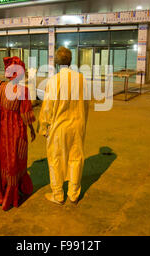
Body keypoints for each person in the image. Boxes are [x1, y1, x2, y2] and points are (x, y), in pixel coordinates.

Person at [39, 47, 90, 205]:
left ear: (56, 62)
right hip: (78, 124)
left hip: (59, 127)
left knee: (56, 159)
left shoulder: (54, 81)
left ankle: (58, 194)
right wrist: (83, 123)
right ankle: (74, 194)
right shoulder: (82, 79)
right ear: (71, 60)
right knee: (76, 158)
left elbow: (48, 106)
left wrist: (43, 126)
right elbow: (86, 104)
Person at [0, 56, 36, 211]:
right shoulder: (23, 91)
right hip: (17, 132)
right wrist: (32, 129)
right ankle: (13, 193)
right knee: (16, 160)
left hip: (2, 132)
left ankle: (1, 190)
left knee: (3, 158)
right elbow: (26, 114)